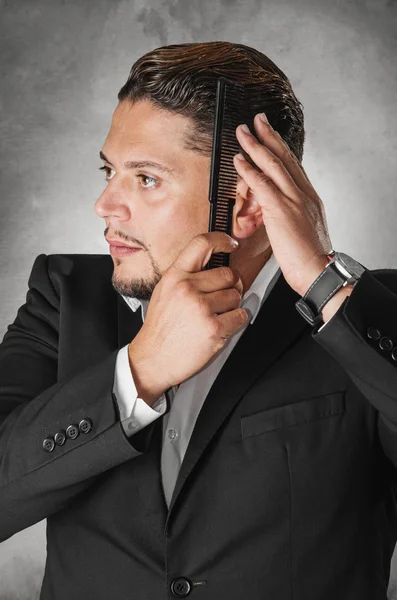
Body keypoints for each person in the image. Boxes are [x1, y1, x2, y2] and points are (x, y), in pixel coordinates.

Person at [1, 40, 397, 600]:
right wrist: (137, 373)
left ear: (246, 202)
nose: (104, 204)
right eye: (108, 170)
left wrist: (325, 281)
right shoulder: (64, 298)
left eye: (146, 178)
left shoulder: (369, 319)